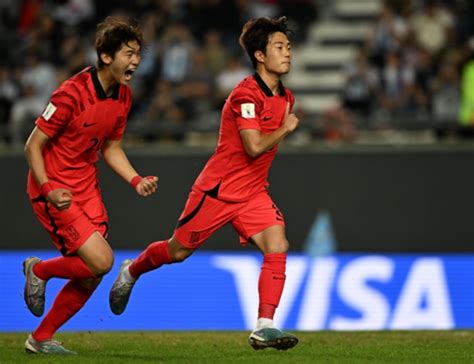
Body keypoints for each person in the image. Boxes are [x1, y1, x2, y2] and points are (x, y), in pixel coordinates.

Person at [109, 16, 300, 351]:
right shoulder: (245, 95)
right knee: (177, 250)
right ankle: (132, 270)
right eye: (279, 47)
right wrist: (285, 129)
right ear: (259, 55)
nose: (287, 53)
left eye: (289, 47)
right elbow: (254, 146)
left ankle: (264, 326)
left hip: (253, 192)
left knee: (278, 245)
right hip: (218, 190)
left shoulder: (287, 98)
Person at [22, 16, 158, 355]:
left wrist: (135, 179)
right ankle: (38, 270)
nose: (136, 61)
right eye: (129, 53)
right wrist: (48, 188)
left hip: (86, 188)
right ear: (107, 56)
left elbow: (111, 147)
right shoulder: (71, 93)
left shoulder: (123, 97)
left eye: (138, 54)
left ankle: (40, 339)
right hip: (55, 190)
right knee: (101, 261)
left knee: (92, 273)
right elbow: (32, 145)